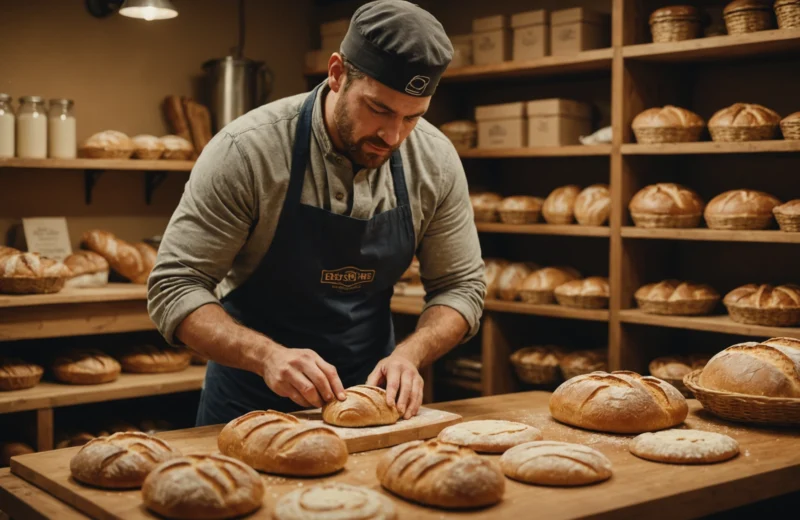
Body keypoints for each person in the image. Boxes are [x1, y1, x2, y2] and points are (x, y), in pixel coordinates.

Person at [147, 0, 485, 427]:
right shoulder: (247, 152)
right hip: (250, 402)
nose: (393, 135)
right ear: (337, 73)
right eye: (378, 109)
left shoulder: (434, 160)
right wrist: (266, 356)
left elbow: (461, 287)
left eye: (412, 117)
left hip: (373, 404)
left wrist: (409, 354)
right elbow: (175, 287)